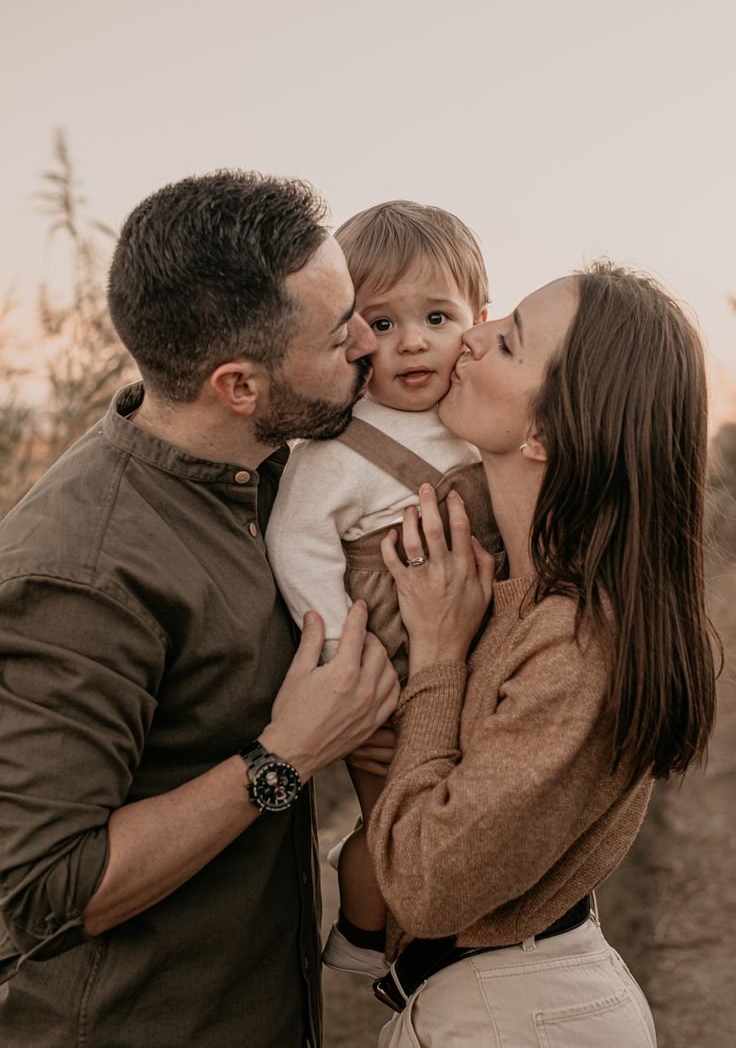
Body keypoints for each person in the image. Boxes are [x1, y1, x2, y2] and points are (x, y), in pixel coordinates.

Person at [0, 170, 400, 1048]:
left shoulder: (269, 483)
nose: (371, 341)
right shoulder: (82, 571)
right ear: (240, 387)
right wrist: (285, 756)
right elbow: (40, 893)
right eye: (341, 335)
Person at [364, 264, 719, 1046]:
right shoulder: (509, 591)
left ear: (546, 432)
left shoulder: (579, 644)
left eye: (509, 341)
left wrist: (434, 658)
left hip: (515, 1019)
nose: (474, 335)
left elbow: (426, 884)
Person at [265, 200, 497, 979]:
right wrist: (341, 648)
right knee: (392, 813)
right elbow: (296, 541)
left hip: (471, 640)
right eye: (385, 323)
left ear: (479, 318)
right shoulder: (340, 445)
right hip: (388, 655)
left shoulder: (477, 416)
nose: (414, 342)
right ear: (355, 335)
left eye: (436, 316)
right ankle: (368, 939)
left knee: (462, 802)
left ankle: (451, 926)